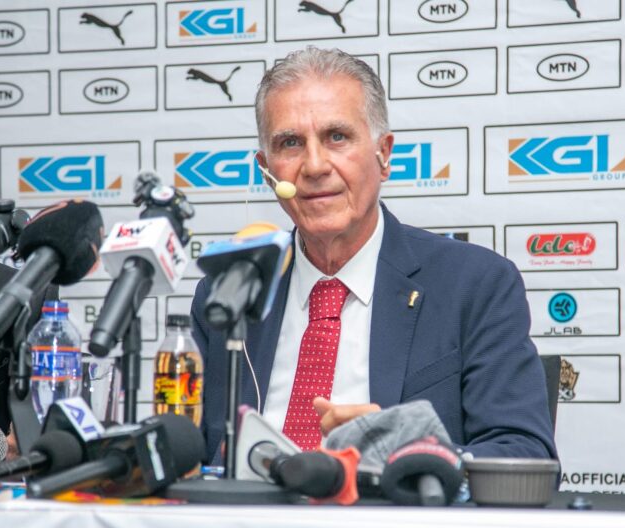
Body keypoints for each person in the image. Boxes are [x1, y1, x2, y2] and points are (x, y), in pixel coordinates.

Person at [191, 46, 557, 464]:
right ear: (267, 170)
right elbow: (190, 454)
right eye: (290, 143)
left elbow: (525, 455)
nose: (314, 166)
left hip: (396, 526)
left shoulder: (473, 285)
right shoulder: (226, 297)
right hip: (250, 527)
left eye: (337, 137)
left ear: (384, 154)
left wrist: (409, 456)